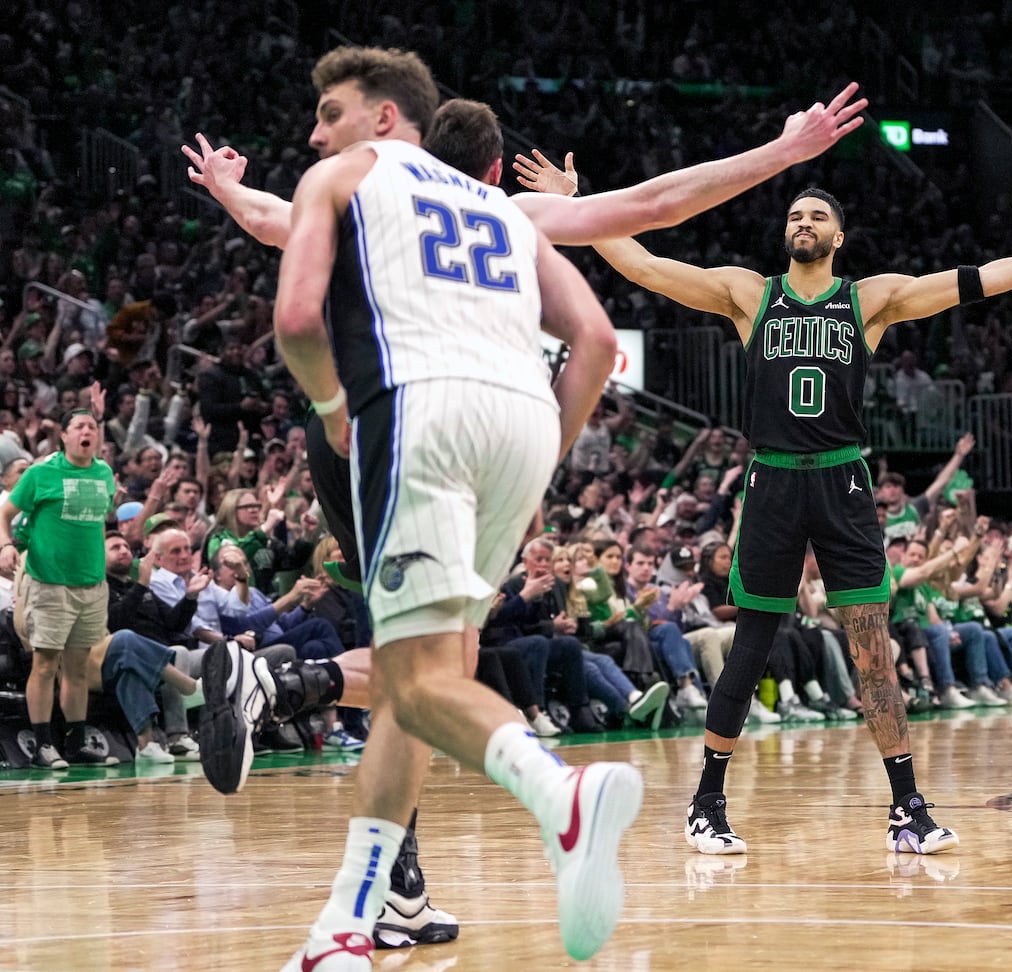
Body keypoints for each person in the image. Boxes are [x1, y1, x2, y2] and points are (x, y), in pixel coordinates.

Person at [186, 75, 870, 963]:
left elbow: (271, 224)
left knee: (434, 668)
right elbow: (655, 207)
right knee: (430, 667)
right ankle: (311, 714)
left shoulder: (366, 194)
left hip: (378, 422)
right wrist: (784, 150)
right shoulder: (505, 213)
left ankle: (376, 870)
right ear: (495, 168)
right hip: (449, 423)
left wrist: (228, 187)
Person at [525, 156, 1012, 853]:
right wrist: (576, 204)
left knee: (872, 646)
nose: (804, 223)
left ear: (838, 237)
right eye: (795, 216)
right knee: (751, 645)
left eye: (817, 216)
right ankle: (706, 804)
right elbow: (644, 265)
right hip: (773, 480)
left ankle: (907, 809)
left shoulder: (869, 300)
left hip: (843, 480)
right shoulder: (748, 294)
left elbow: (974, 281)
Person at [0, 404, 118, 768]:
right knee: (45, 663)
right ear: (64, 435)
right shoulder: (41, 474)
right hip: (49, 583)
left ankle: (76, 743)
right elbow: (5, 514)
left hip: (91, 584)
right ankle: (42, 745)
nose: (87, 431)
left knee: (78, 668)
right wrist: (5, 546)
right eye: (79, 426)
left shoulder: (104, 474)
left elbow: (98, 523)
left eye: (92, 426)